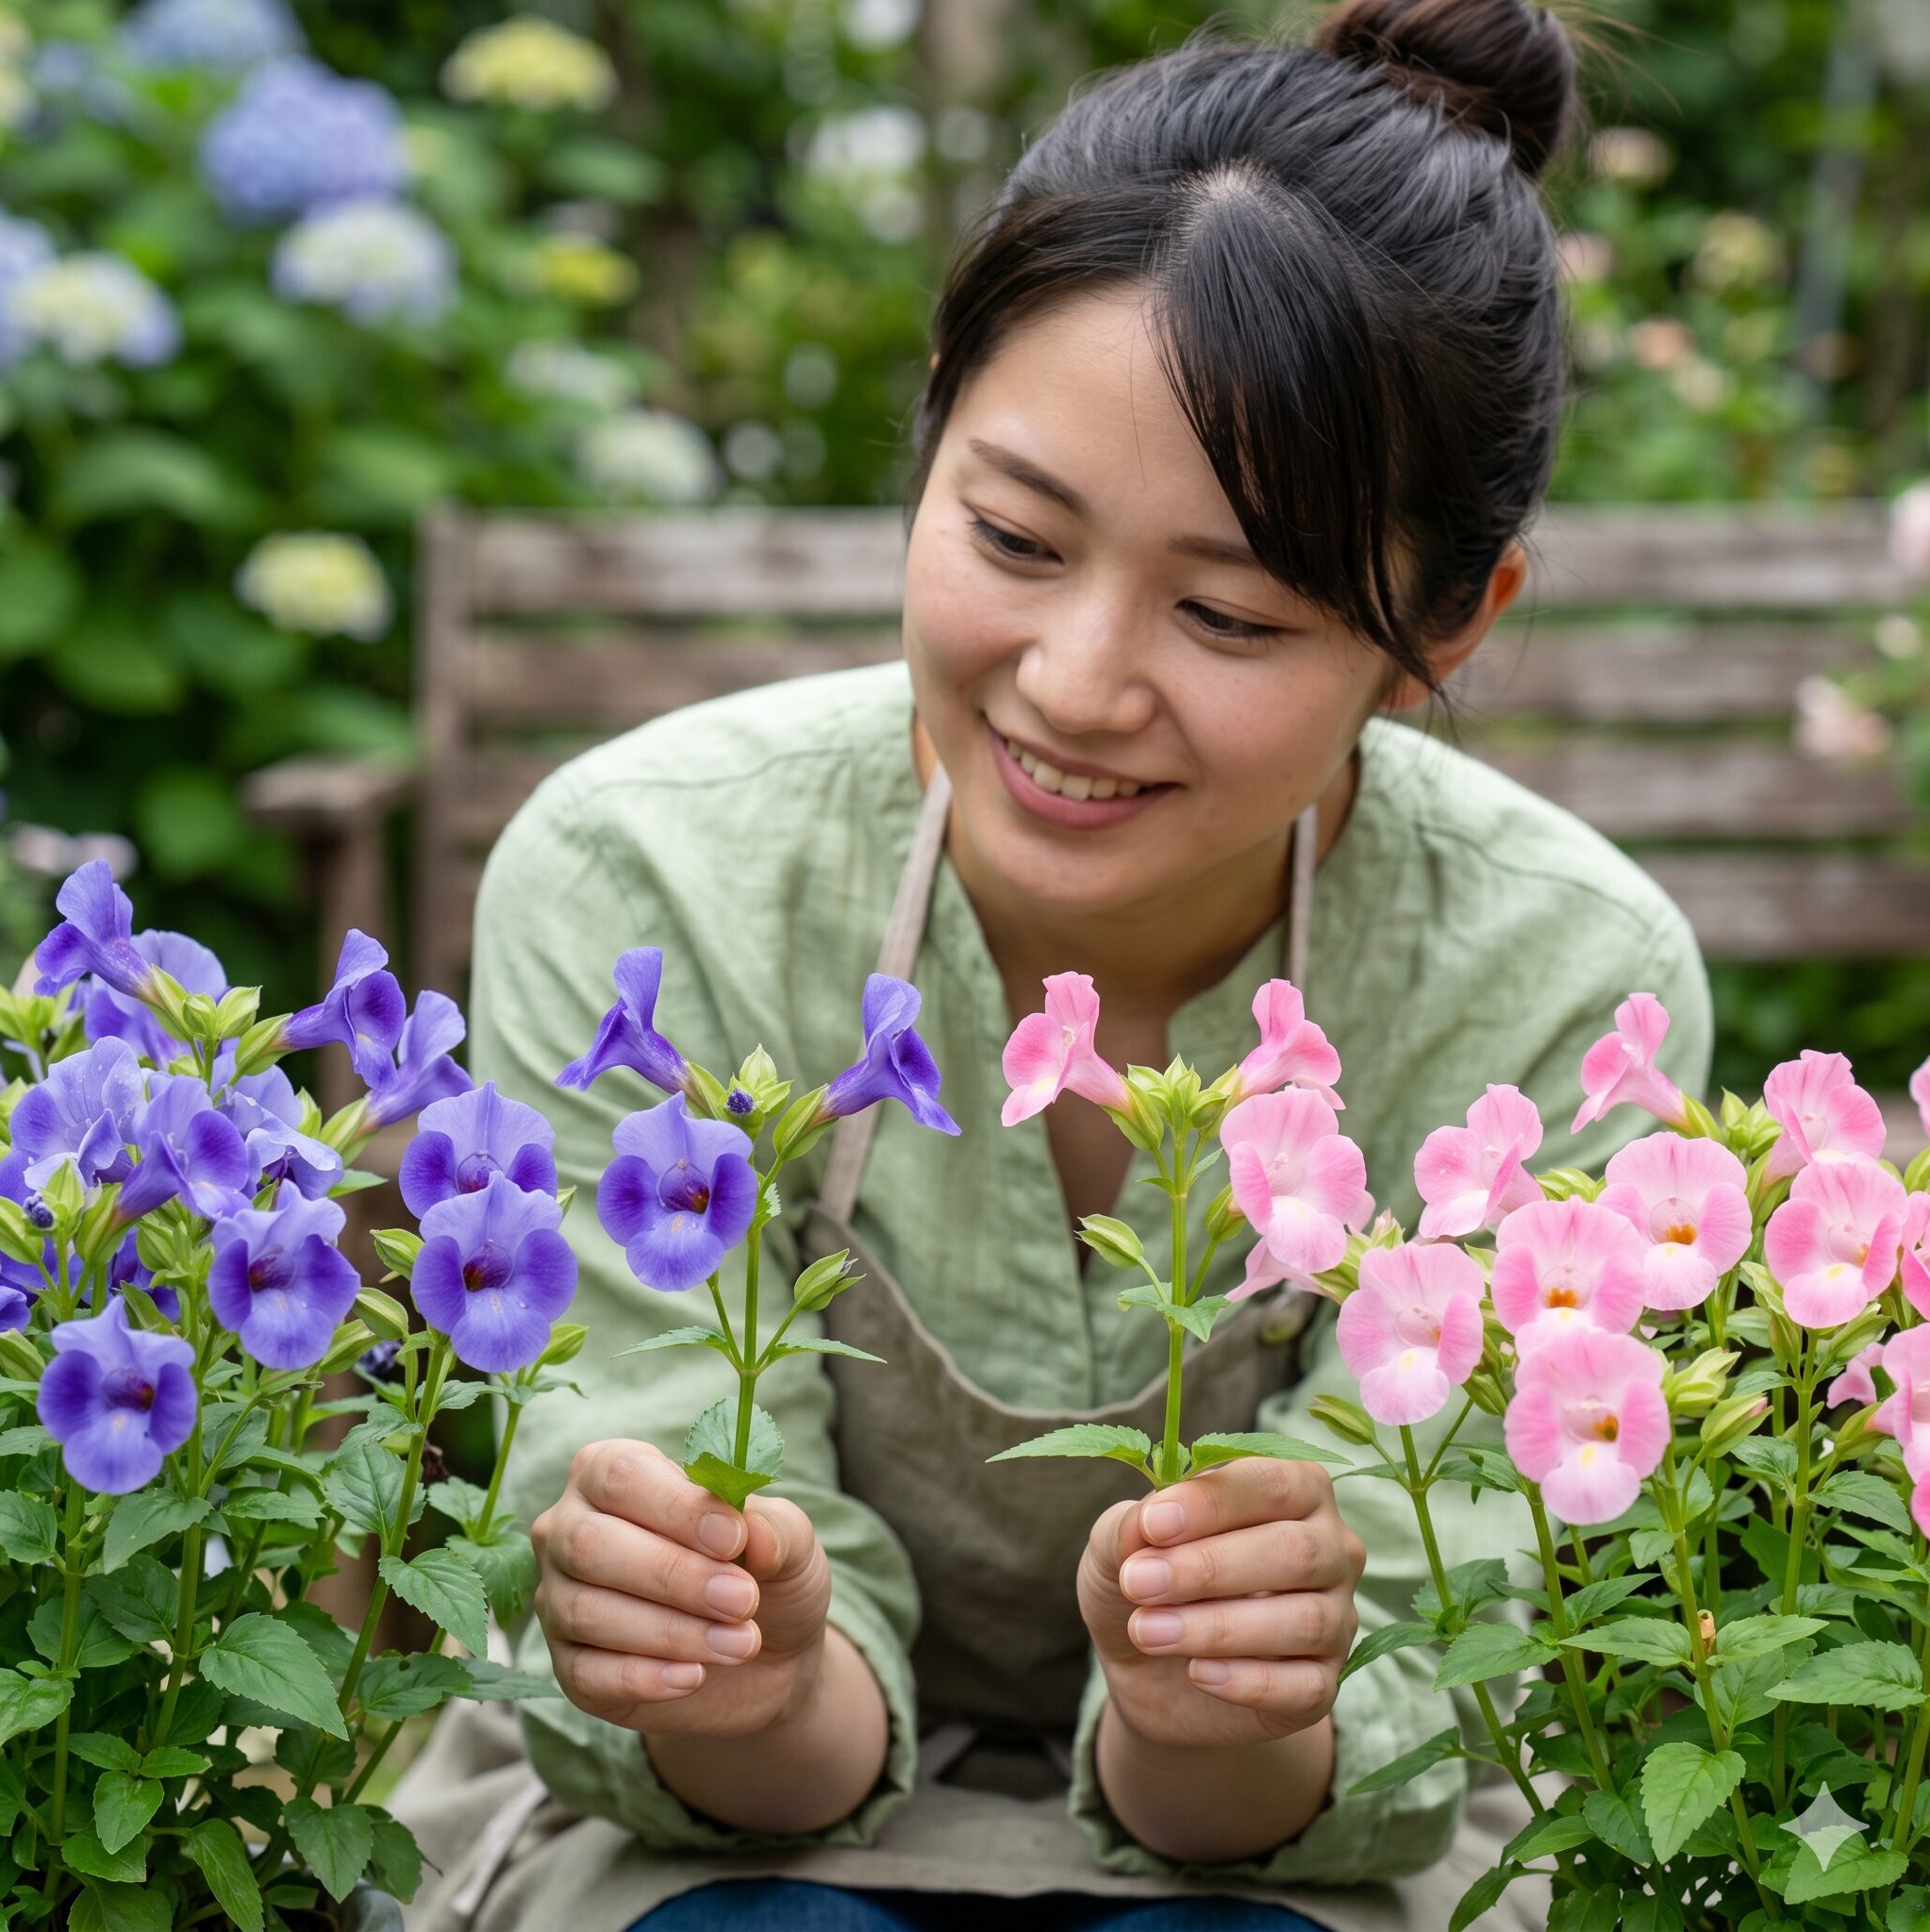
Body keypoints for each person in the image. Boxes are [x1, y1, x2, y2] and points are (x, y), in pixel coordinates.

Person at [391, 2, 1711, 1926]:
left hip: (1286, 1864)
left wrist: (1212, 1706)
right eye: (1013, 534)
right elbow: (715, 1738)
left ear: (1448, 622)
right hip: (720, 1831)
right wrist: (741, 1666)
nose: (1078, 683)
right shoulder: (648, 878)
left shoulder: (1559, 986)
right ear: (932, 413)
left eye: (1228, 611)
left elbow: (1386, 1739)